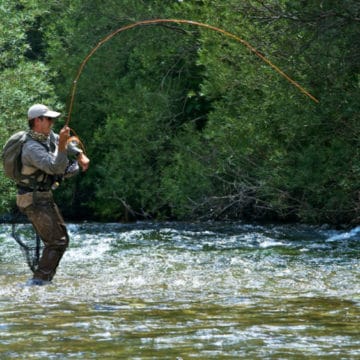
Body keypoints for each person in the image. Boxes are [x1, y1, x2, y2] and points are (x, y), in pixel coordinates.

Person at [16, 104, 90, 285]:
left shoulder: (46, 137)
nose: (52, 122)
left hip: (42, 197)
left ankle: (41, 280)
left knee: (59, 239)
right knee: (58, 242)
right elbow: (54, 167)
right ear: (37, 121)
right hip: (32, 199)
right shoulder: (31, 148)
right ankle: (38, 283)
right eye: (48, 118)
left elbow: (60, 140)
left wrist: (79, 154)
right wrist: (64, 146)